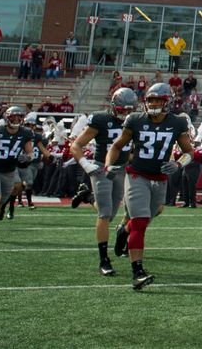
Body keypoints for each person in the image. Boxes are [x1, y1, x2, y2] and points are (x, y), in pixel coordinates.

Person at [105, 84, 194, 289]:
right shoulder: (135, 119)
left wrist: (179, 163)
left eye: (158, 100)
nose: (154, 104)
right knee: (141, 222)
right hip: (137, 175)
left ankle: (123, 231)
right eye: (151, 100)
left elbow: (189, 151)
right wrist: (109, 164)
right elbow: (117, 146)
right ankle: (137, 272)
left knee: (146, 219)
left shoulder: (177, 122)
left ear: (167, 102)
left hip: (160, 178)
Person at [69, 88, 138, 275]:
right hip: (101, 168)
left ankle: (88, 197)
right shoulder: (100, 119)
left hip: (122, 169)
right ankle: (104, 260)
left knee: (111, 212)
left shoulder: (136, 121)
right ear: (114, 106)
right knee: (105, 214)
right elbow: (75, 145)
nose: (125, 114)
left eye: (129, 110)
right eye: (122, 109)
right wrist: (86, 164)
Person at [0, 107, 36, 241]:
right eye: (13, 117)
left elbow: (30, 152)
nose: (16, 119)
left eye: (19, 117)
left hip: (9, 173)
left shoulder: (26, 132)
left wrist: (28, 158)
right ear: (6, 117)